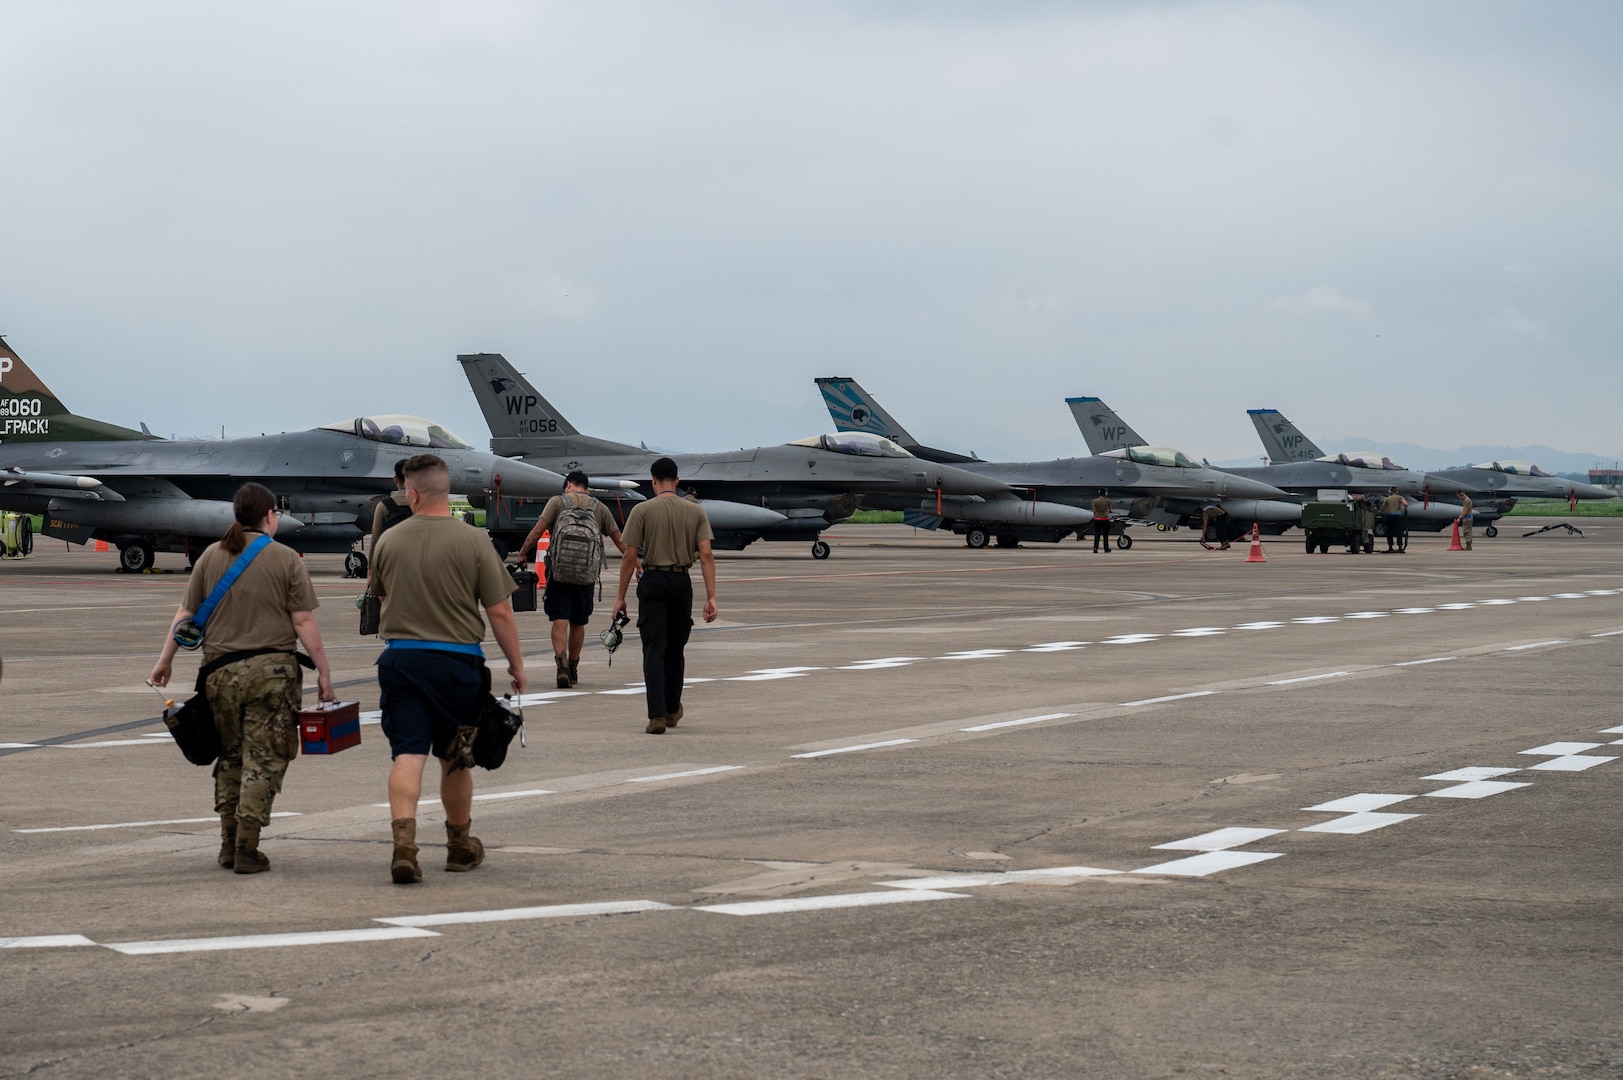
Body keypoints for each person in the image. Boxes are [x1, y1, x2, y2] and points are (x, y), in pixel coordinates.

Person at [150, 482, 334, 874]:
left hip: (219, 674)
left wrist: (165, 661)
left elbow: (186, 613)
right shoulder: (286, 559)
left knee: (230, 756)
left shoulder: (211, 556)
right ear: (270, 516)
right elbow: (303, 620)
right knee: (263, 758)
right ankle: (248, 848)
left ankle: (228, 844)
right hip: (272, 675)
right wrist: (325, 673)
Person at [370, 454, 527, 884]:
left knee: (408, 754)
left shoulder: (388, 541)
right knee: (455, 757)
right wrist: (516, 664)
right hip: (458, 664)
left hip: (401, 660)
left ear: (412, 493)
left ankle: (405, 847)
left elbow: (379, 595)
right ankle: (459, 846)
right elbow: (500, 612)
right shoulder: (475, 541)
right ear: (448, 492)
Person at [610, 457, 717, 735]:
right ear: (678, 481)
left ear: (653, 480)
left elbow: (629, 556)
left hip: (653, 581)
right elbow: (705, 555)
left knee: (654, 650)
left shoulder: (642, 510)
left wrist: (620, 597)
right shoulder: (695, 511)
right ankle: (672, 708)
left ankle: (656, 715)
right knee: (675, 649)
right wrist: (711, 597)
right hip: (681, 581)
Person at [516, 470, 630, 689]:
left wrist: (522, 554)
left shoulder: (557, 502)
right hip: (586, 575)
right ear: (587, 489)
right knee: (579, 622)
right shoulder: (599, 508)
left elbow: (537, 532)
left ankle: (562, 667)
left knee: (560, 618)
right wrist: (636, 563)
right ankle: (574, 669)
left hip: (559, 572)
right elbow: (620, 541)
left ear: (567, 485)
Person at [370, 458, 412, 555]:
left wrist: (372, 567)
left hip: (392, 562)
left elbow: (375, 540)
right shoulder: (425, 505)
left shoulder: (383, 505)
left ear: (395, 479)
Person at [1380, 487, 1408, 552]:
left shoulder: (1387, 498)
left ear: (1390, 492)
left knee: (1389, 532)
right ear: (1397, 492)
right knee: (1399, 532)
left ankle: (1390, 547)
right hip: (1398, 516)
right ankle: (1400, 547)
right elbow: (1406, 504)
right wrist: (1406, 509)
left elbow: (1382, 508)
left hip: (1390, 517)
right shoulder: (1400, 497)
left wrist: (1380, 511)